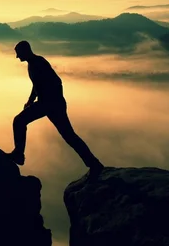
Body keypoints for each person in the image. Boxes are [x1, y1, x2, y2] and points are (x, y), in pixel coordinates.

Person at [7, 40, 104, 178]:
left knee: (19, 121)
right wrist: (31, 100)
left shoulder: (39, 62)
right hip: (50, 103)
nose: (17, 57)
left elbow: (57, 81)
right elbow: (37, 84)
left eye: (18, 53)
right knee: (69, 136)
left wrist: (50, 101)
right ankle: (94, 164)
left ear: (25, 51)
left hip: (51, 104)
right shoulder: (33, 64)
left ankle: (18, 154)